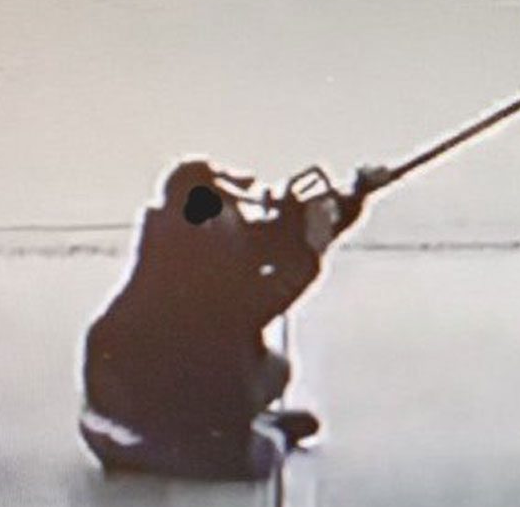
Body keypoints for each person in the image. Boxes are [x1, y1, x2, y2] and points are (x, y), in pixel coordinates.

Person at [79, 159, 387, 480]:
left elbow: (278, 238)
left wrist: (355, 197)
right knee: (254, 461)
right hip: (136, 408)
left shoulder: (189, 234)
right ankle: (195, 441)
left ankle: (215, 428)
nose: (237, 214)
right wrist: (308, 259)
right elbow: (253, 306)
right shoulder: (197, 261)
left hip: (134, 385)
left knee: (273, 371)